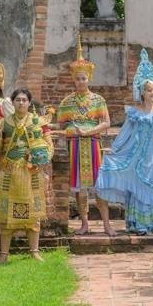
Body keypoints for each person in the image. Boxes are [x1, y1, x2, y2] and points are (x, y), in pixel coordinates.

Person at [95, 49, 153, 235]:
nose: (152, 93)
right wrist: (114, 149)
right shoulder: (134, 113)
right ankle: (137, 224)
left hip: (151, 155)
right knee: (136, 184)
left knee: (150, 182)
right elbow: (125, 133)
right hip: (134, 153)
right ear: (142, 92)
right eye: (148, 90)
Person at [55, 36, 112, 235]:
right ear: (74, 79)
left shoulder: (98, 100)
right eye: (77, 78)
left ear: (89, 79)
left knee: (100, 187)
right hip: (75, 147)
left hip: (94, 145)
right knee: (80, 189)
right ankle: (85, 224)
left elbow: (106, 123)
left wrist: (88, 131)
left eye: (84, 78)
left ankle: (106, 224)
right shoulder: (67, 102)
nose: (81, 81)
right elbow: (61, 124)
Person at [0, 88, 52, 261]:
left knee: (34, 212)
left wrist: (40, 160)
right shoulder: (3, 123)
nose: (21, 103)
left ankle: (34, 251)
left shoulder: (39, 122)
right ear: (12, 102)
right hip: (8, 171)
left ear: (29, 102)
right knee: (5, 214)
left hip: (31, 171)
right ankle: (4, 254)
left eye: (24, 100)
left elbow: (49, 146)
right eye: (18, 100)